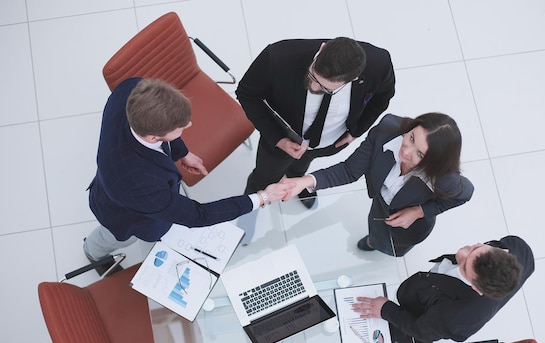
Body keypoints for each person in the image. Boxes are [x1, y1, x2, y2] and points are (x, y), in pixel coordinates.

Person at [84, 77, 291, 272]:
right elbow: (199, 215)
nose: (189, 126)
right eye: (181, 128)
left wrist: (182, 152)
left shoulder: (131, 89)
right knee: (113, 237)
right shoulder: (140, 185)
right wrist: (262, 197)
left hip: (124, 182)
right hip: (123, 214)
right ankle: (92, 254)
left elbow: (162, 130)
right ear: (153, 137)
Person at [281, 113, 474, 256]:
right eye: (412, 138)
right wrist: (305, 180)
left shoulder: (445, 178)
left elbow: (465, 194)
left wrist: (419, 211)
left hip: (410, 226)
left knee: (393, 245)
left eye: (420, 154)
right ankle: (373, 240)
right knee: (375, 227)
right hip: (380, 205)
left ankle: (377, 244)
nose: (407, 151)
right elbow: (349, 170)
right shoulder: (387, 129)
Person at [236, 37, 395, 210]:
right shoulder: (278, 56)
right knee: (264, 177)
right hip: (280, 139)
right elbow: (246, 94)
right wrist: (278, 139)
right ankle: (251, 201)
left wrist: (356, 132)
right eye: (312, 75)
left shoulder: (379, 64)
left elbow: (383, 97)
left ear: (354, 78)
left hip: (327, 142)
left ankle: (297, 179)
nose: (313, 86)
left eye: (325, 88)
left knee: (302, 165)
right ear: (322, 48)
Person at [351, 235, 534, 343]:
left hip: (427, 317)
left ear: (478, 290)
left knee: (418, 340)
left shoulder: (456, 317)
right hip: (434, 292)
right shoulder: (517, 247)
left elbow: (418, 328)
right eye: (475, 248)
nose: (461, 252)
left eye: (464, 265)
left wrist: (385, 309)